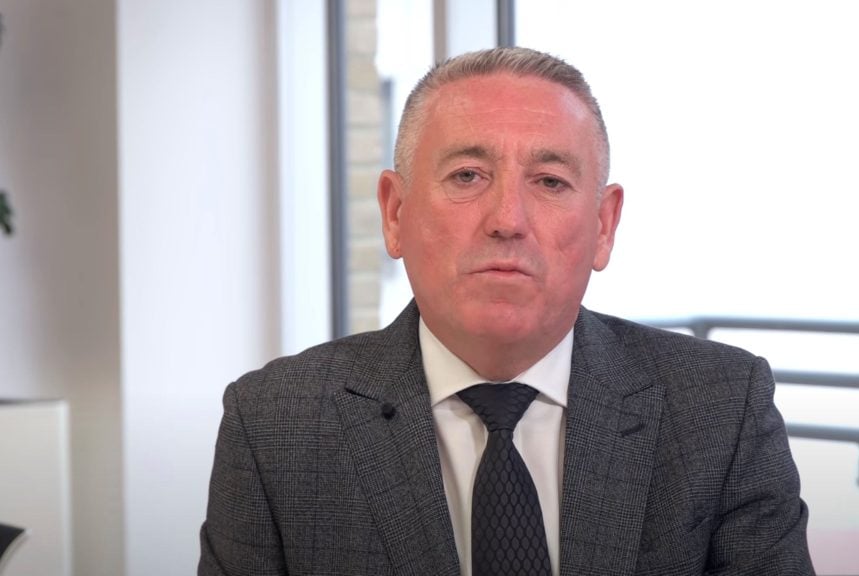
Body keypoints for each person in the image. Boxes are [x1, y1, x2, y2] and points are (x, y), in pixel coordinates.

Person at [199, 47, 814, 576]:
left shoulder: (721, 409)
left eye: (549, 181)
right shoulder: (275, 425)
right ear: (394, 213)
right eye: (467, 175)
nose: (507, 221)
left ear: (603, 226)